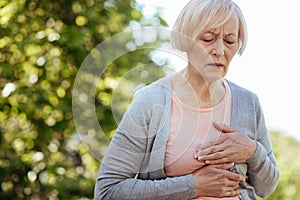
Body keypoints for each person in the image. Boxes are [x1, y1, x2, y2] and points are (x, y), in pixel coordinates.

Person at [94, 0, 279, 199]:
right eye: (208, 39)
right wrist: (193, 186)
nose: (219, 50)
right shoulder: (151, 101)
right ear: (185, 40)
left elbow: (267, 187)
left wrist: (253, 151)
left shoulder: (248, 103)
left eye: (229, 41)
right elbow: (108, 191)